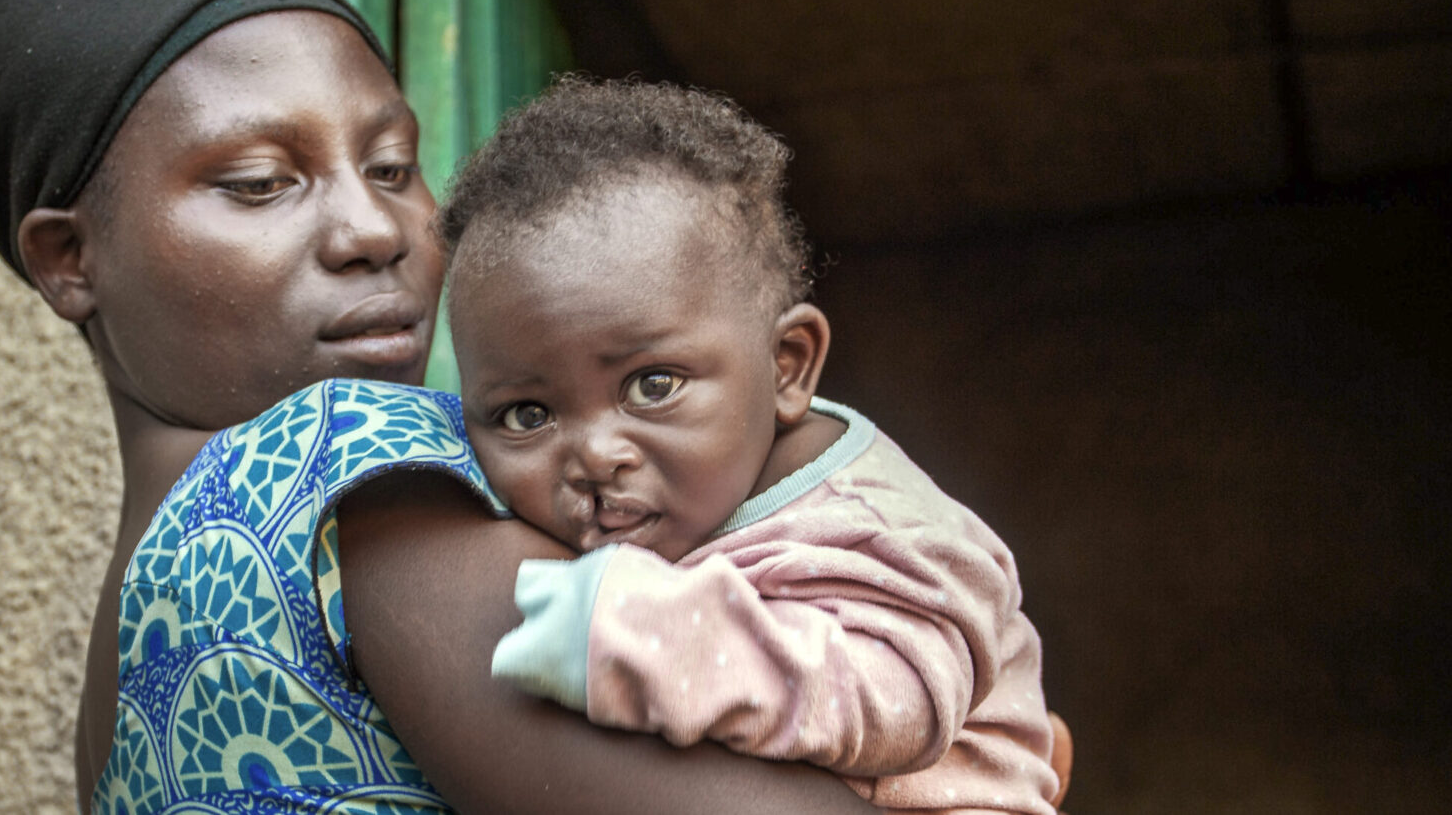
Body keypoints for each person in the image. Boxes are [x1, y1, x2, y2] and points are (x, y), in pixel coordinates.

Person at [0, 0, 884, 813]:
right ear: (69, 258)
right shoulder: (354, 475)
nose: (374, 227)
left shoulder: (120, 677)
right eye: (259, 182)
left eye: (389, 166)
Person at [436, 78, 1059, 813]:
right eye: (526, 414)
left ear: (786, 366)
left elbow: (903, 701)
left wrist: (641, 635)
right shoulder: (681, 502)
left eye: (652, 385)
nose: (595, 455)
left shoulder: (876, 523)